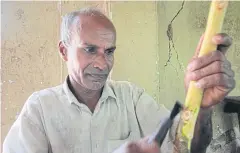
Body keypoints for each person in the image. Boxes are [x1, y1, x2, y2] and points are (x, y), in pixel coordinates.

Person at [3, 8, 235, 153]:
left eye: (110, 51)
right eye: (90, 50)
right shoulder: (40, 109)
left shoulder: (131, 98)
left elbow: (186, 147)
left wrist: (201, 107)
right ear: (64, 51)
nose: (103, 64)